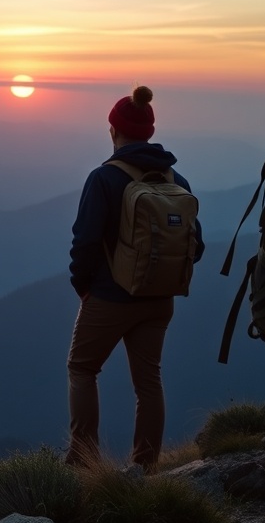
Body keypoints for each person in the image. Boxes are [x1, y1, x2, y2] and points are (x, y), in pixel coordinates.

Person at [66, 84, 204, 471]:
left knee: (82, 369)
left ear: (113, 130)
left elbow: (84, 242)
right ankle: (144, 469)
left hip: (109, 297)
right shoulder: (178, 182)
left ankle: (83, 463)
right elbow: (196, 247)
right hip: (160, 300)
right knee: (148, 383)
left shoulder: (104, 178)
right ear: (150, 132)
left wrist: (84, 287)